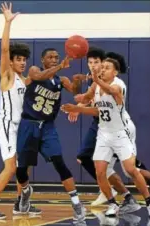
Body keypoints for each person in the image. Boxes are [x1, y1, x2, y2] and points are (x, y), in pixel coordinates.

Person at [61, 58, 150, 217]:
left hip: (121, 132)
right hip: (104, 133)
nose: (102, 70)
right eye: (101, 68)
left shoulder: (118, 84)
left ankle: (148, 202)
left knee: (130, 169)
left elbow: (112, 91)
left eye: (106, 68)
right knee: (100, 171)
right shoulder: (96, 85)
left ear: (115, 72)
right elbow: (93, 106)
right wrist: (76, 104)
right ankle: (113, 204)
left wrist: (95, 80)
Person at [0, 2, 40, 219]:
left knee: (23, 167)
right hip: (6, 125)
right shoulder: (8, 75)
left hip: (21, 127)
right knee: (11, 167)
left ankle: (21, 204)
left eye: (24, 59)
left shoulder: (23, 80)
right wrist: (7, 22)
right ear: (11, 62)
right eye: (18, 59)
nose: (22, 63)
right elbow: (4, 49)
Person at [15, 48, 86, 222]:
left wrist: (77, 82)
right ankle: (25, 193)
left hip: (47, 127)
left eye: (57, 57)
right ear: (42, 59)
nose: (54, 59)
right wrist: (61, 66)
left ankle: (76, 204)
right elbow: (40, 77)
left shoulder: (61, 80)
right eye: (50, 57)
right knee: (21, 169)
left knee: (59, 162)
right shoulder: (34, 71)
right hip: (28, 125)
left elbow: (76, 93)